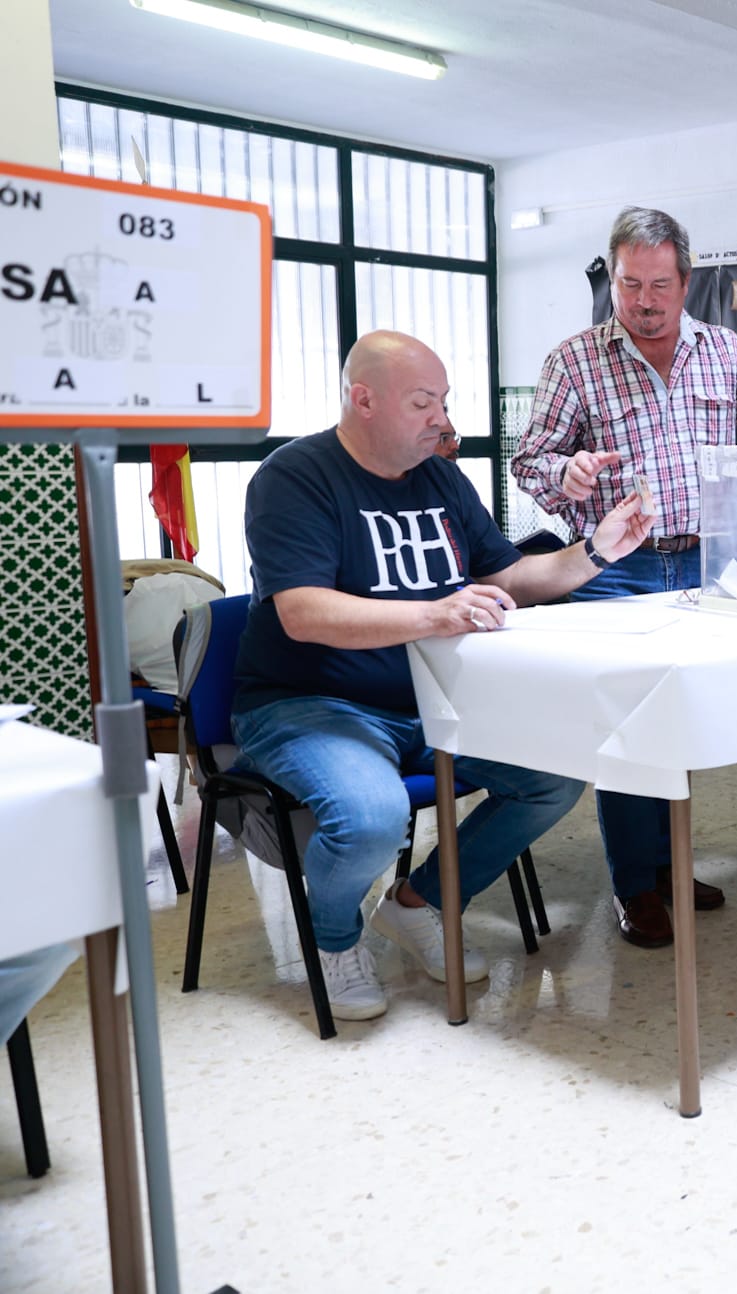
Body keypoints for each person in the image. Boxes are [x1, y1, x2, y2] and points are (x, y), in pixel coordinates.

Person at [234, 331, 652, 1021]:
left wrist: (595, 552)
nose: (442, 418)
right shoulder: (294, 477)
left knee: (551, 778)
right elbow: (304, 613)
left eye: (444, 400)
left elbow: (511, 575)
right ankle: (334, 936)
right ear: (362, 400)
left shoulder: (440, 477)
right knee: (373, 817)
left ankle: (416, 902)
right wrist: (433, 614)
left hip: (425, 700)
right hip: (306, 703)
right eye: (423, 402)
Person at [511, 207, 737, 945]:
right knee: (629, 724)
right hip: (618, 567)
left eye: (659, 285)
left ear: (686, 281)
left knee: (681, 720)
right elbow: (531, 461)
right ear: (613, 279)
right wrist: (569, 474)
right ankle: (636, 886)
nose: (643, 300)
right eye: (628, 284)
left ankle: (671, 864)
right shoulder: (574, 360)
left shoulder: (725, 352)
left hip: (709, 564)